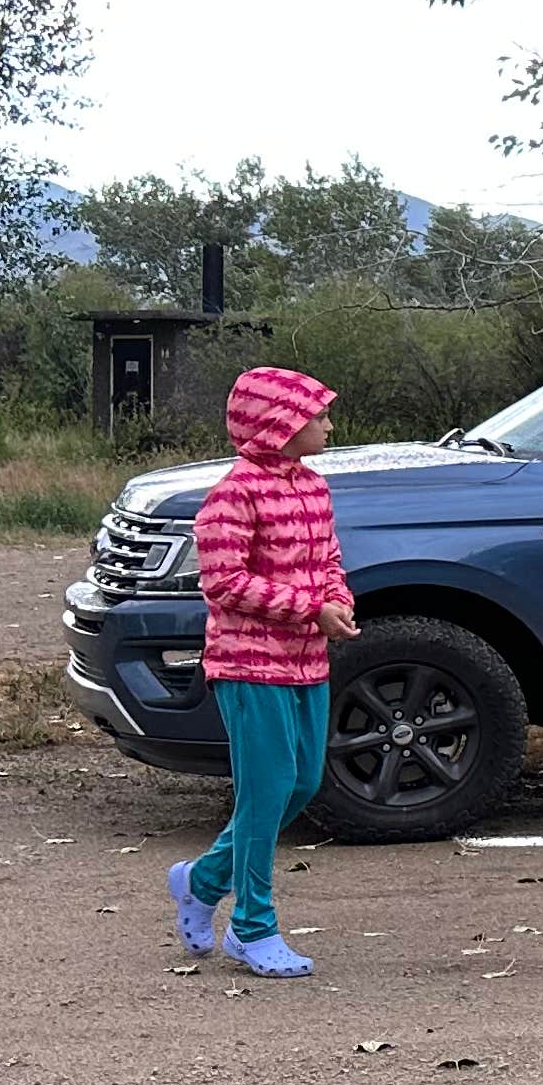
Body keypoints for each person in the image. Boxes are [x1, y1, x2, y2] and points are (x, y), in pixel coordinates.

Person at [166, 365, 357, 977]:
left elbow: (329, 559)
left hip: (308, 665)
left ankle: (202, 878)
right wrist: (309, 608)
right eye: (317, 415)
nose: (328, 424)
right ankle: (252, 926)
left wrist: (338, 600)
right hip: (248, 667)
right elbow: (222, 583)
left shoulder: (314, 487)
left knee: (299, 784)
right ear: (280, 425)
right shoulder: (233, 495)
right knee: (266, 789)